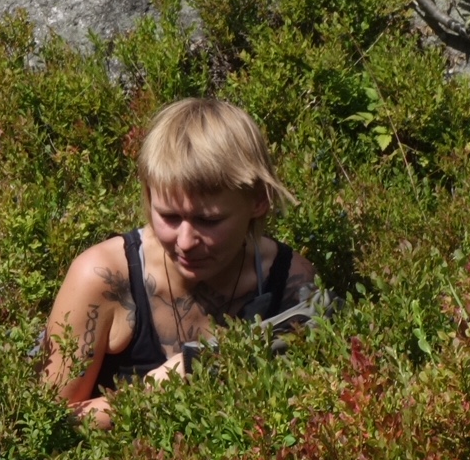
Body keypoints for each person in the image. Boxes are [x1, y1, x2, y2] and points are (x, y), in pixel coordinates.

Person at [41, 98, 318, 429]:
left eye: (208, 220)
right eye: (169, 216)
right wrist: (158, 391)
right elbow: (48, 421)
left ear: (258, 201)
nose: (186, 241)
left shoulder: (289, 279)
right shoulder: (103, 277)